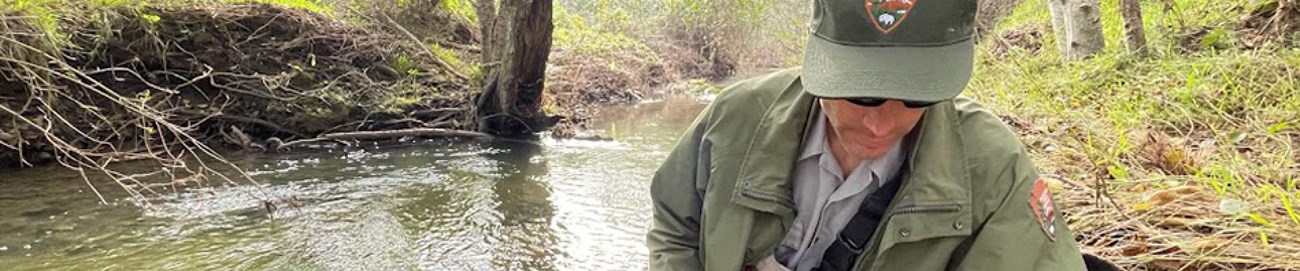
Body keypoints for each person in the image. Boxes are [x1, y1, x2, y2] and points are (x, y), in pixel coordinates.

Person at [645, 0, 1097, 270]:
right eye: (861, 97)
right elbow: (675, 225)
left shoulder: (993, 168)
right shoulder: (737, 116)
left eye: (916, 99)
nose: (881, 124)